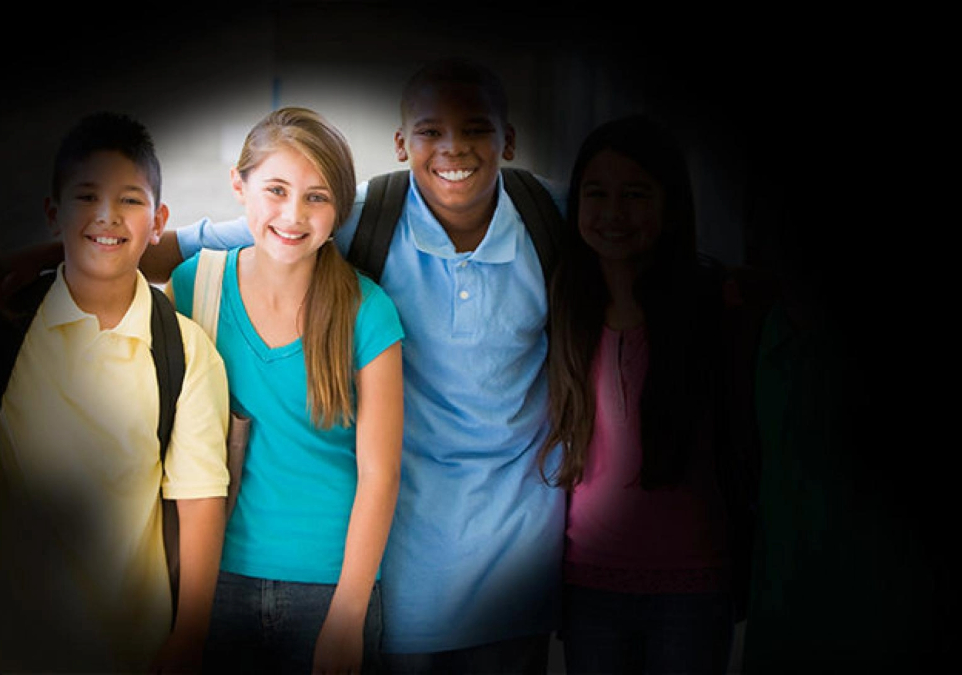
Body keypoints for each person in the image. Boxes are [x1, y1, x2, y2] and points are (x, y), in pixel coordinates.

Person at [140, 58, 569, 672]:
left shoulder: (545, 214)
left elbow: (654, 234)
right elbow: (163, 245)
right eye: (430, 130)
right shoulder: (216, 277)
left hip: (450, 553)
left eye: (475, 128)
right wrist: (30, 262)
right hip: (289, 568)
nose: (293, 214)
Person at [0, 112, 230, 673]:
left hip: (126, 649)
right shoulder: (4, 325)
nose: (107, 216)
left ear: (158, 221)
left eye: (130, 199)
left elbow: (200, 504)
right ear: (53, 213)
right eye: (86, 196)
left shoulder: (184, 349)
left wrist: (189, 637)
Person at [167, 106, 403, 674]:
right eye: (276, 189)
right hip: (211, 579)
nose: (293, 215)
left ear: (339, 211)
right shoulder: (193, 285)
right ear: (239, 187)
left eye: (317, 197)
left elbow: (380, 474)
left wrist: (348, 616)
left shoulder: (367, 311)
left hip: (328, 588)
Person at [538, 114, 752, 674]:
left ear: (670, 205)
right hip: (587, 585)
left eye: (635, 195)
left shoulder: (715, 304)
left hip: (693, 586)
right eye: (596, 193)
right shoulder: (564, 302)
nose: (613, 214)